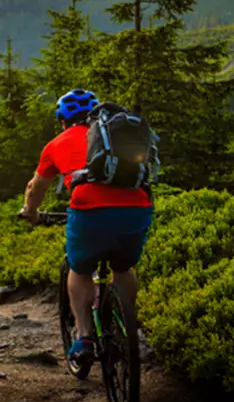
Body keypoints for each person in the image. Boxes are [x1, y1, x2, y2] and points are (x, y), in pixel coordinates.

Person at [18, 88, 154, 371]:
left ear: (63, 120)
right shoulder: (113, 137)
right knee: (123, 268)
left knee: (79, 271)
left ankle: (83, 338)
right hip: (137, 209)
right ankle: (125, 323)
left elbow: (35, 187)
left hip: (89, 211)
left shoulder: (56, 144)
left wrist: (31, 213)